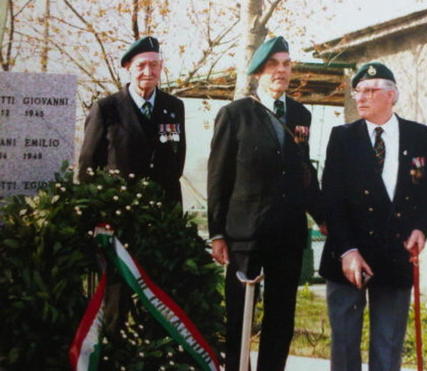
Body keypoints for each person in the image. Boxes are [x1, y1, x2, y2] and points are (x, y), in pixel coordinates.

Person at [207, 36, 324, 371]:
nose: (282, 71)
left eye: (287, 65)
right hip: (246, 236)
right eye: (274, 65)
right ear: (259, 71)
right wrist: (217, 233)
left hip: (287, 235)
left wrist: (323, 215)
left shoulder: (301, 114)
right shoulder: (235, 115)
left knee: (281, 320)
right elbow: (219, 177)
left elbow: (305, 174)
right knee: (239, 320)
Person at [319, 62, 427, 371]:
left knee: (387, 346)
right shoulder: (342, 137)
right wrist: (348, 251)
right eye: (358, 91)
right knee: (344, 347)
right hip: (348, 256)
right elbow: (332, 198)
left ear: (392, 95)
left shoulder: (420, 136)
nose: (361, 98)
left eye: (371, 91)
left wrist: (421, 228)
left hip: (395, 254)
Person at [79, 36, 185, 206]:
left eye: (154, 65)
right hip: (119, 209)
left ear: (161, 67)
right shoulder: (106, 108)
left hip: (163, 211)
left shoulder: (174, 107)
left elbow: (177, 158)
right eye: (141, 65)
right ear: (128, 67)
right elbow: (88, 167)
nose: (148, 72)